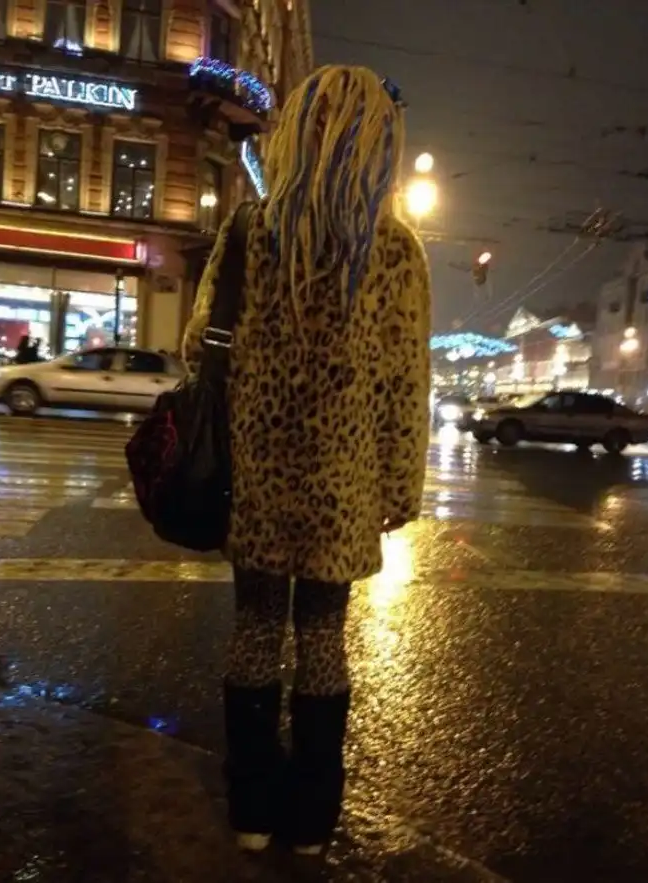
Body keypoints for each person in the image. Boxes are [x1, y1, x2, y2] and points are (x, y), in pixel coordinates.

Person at [182, 65, 431, 855]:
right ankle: (313, 818)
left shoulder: (251, 229)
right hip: (341, 489)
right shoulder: (394, 249)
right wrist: (398, 486)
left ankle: (252, 809)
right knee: (323, 642)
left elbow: (197, 346)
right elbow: (406, 384)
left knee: (255, 629)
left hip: (256, 478)